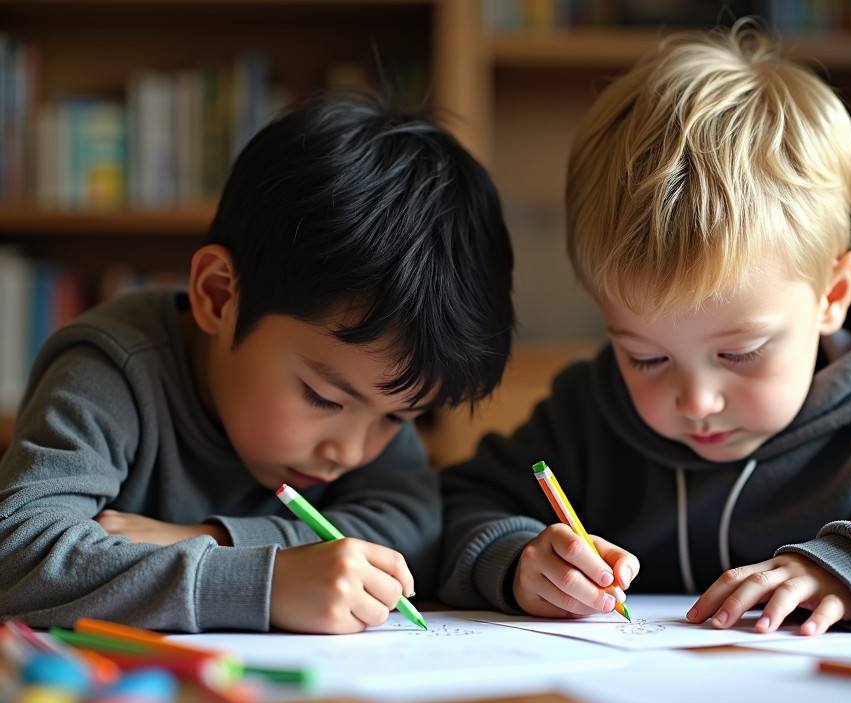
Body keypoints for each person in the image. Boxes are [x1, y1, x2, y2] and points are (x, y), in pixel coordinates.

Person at [438, 21, 851, 634]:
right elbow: (455, 506)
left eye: (741, 353)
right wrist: (515, 560)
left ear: (834, 294)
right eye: (646, 358)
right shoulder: (584, 416)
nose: (697, 402)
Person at [0, 90, 515, 634]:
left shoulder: (373, 394)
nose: (349, 450)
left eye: (396, 420)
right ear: (220, 295)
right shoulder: (113, 368)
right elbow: (18, 556)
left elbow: (415, 530)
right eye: (324, 397)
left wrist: (215, 539)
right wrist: (262, 584)